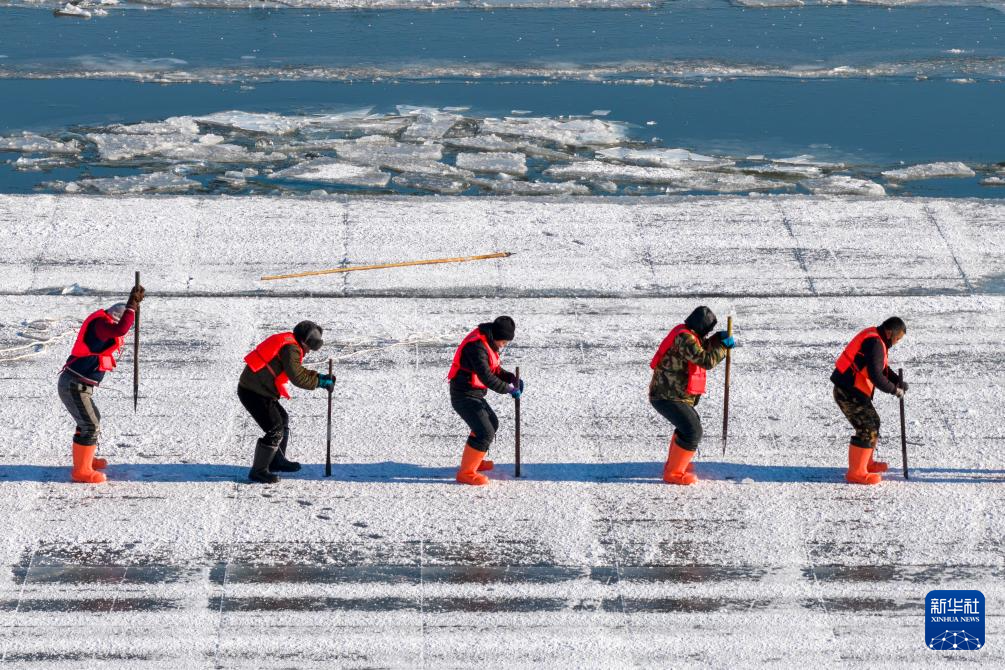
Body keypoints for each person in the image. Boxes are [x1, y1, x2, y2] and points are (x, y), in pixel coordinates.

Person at [58, 284, 145, 484]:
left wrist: (132, 308)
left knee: (91, 419)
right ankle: (81, 471)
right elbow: (121, 328)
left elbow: (121, 328)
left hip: (78, 385)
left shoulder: (103, 322)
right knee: (89, 424)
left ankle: (86, 461)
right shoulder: (101, 326)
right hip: (73, 385)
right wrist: (132, 305)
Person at [238, 320, 335, 484]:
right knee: (275, 428)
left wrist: (319, 377)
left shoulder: (292, 344)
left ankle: (276, 460)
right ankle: (258, 471)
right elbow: (297, 377)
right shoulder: (291, 349)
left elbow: (297, 370)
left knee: (282, 420)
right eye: (309, 348)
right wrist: (320, 383)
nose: (309, 352)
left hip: (261, 390)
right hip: (252, 392)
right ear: (304, 341)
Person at [648, 306, 734, 485]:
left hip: (673, 394)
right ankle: (673, 473)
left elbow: (702, 347)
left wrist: (718, 339)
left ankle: (675, 466)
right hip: (667, 396)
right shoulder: (684, 337)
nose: (708, 333)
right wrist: (723, 348)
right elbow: (705, 359)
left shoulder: (687, 333)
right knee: (692, 431)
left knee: (688, 426)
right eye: (708, 330)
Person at [831, 317, 908, 485]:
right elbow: (875, 375)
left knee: (873, 422)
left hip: (854, 389)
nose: (897, 342)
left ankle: (866, 463)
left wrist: (897, 381)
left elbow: (880, 368)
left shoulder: (877, 339)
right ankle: (856, 473)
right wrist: (894, 390)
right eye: (897, 338)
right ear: (889, 333)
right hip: (847, 390)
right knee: (867, 427)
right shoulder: (874, 343)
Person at [447, 316, 523, 485]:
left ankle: (475, 460)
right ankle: (466, 473)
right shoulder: (476, 347)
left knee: (492, 423)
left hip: (474, 394)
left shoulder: (488, 341)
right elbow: (486, 376)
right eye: (503, 342)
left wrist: (510, 377)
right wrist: (509, 389)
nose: (504, 346)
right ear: (496, 336)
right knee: (484, 431)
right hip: (463, 395)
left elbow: (493, 368)